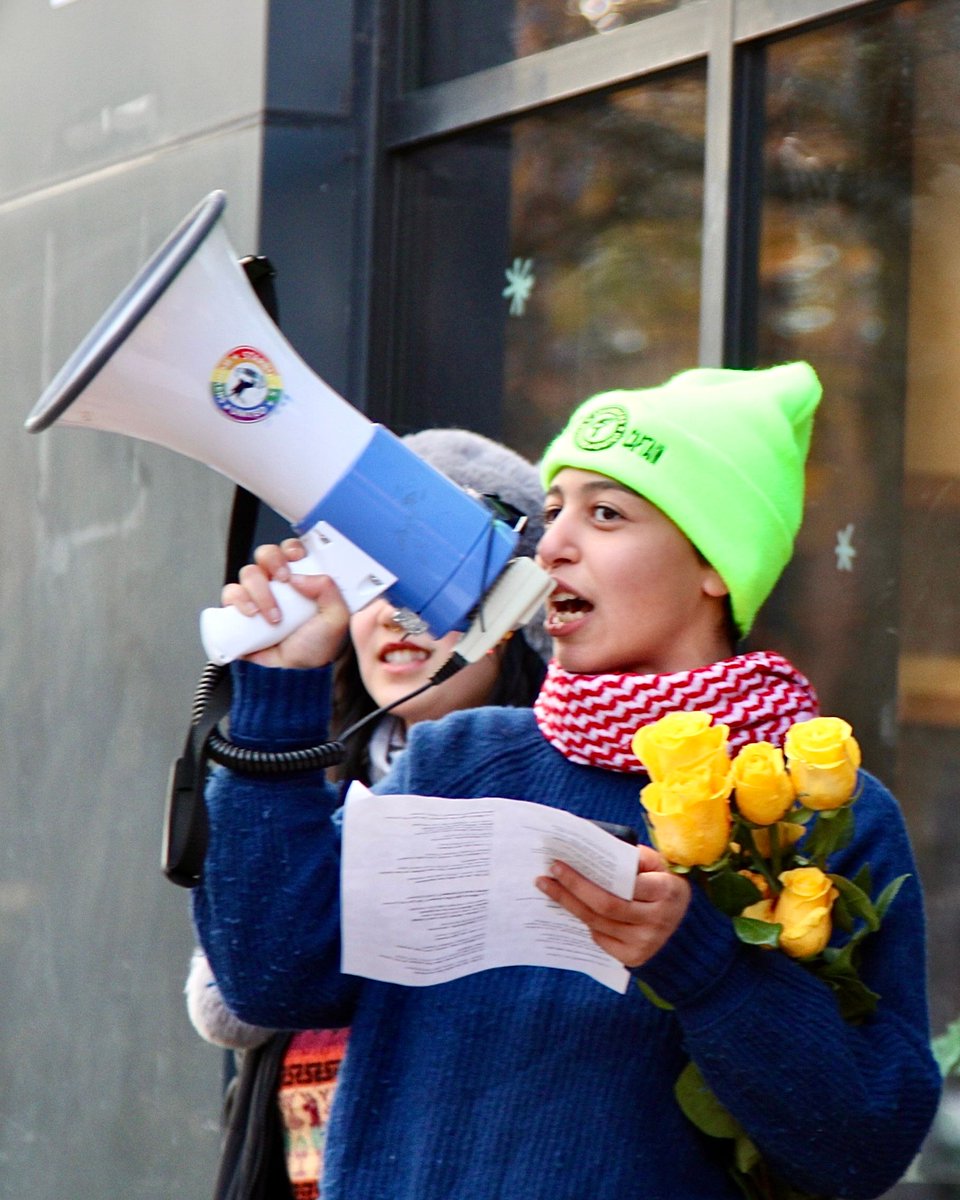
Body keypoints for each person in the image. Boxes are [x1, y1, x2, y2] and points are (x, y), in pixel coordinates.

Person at [192, 363, 941, 1200]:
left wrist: (701, 962)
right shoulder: (459, 760)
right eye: (552, 513)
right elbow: (272, 978)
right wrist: (276, 696)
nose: (550, 547)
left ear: (715, 566)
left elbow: (866, 1142)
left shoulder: (822, 806)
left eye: (605, 514)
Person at [185, 427, 550, 1200]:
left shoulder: (560, 806)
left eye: (433, 578)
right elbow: (236, 999)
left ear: (523, 611)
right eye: (369, 580)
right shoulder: (301, 778)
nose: (395, 613)